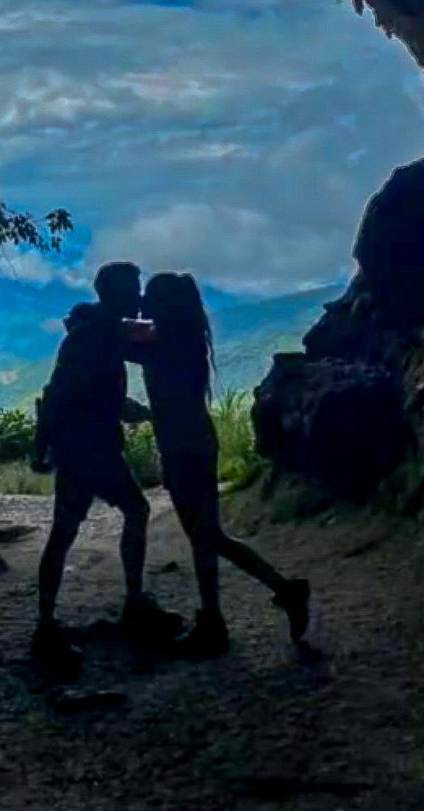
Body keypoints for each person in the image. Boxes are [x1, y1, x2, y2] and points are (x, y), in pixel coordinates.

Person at [132, 271, 311, 659]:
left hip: (183, 447)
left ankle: (281, 590)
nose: (143, 303)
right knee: (206, 536)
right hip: (196, 441)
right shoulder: (183, 337)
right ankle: (213, 620)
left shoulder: (162, 340)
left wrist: (101, 314)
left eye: (149, 297)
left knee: (206, 536)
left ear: (163, 303)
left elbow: (111, 336)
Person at [31, 261, 181, 664]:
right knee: (134, 510)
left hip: (81, 447)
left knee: (65, 531)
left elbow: (84, 390)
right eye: (132, 289)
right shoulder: (95, 334)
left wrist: (45, 445)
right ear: (114, 293)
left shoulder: (100, 332)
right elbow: (60, 393)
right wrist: (41, 446)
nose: (138, 297)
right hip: (90, 449)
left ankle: (47, 620)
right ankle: (129, 600)